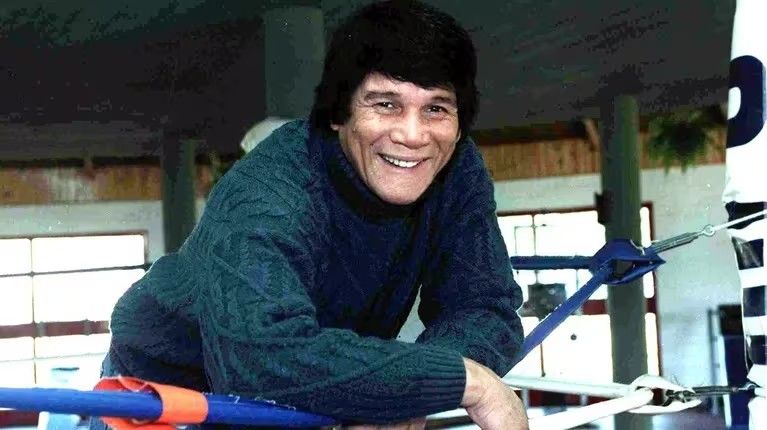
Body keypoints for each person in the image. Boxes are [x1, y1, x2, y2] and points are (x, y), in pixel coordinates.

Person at [95, 1, 528, 428]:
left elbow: (486, 307)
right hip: (166, 393)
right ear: (338, 113)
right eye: (385, 104)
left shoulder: (454, 165)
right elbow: (261, 359)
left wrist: (409, 393)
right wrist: (463, 382)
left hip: (309, 388)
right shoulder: (269, 188)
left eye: (436, 108)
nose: (413, 135)